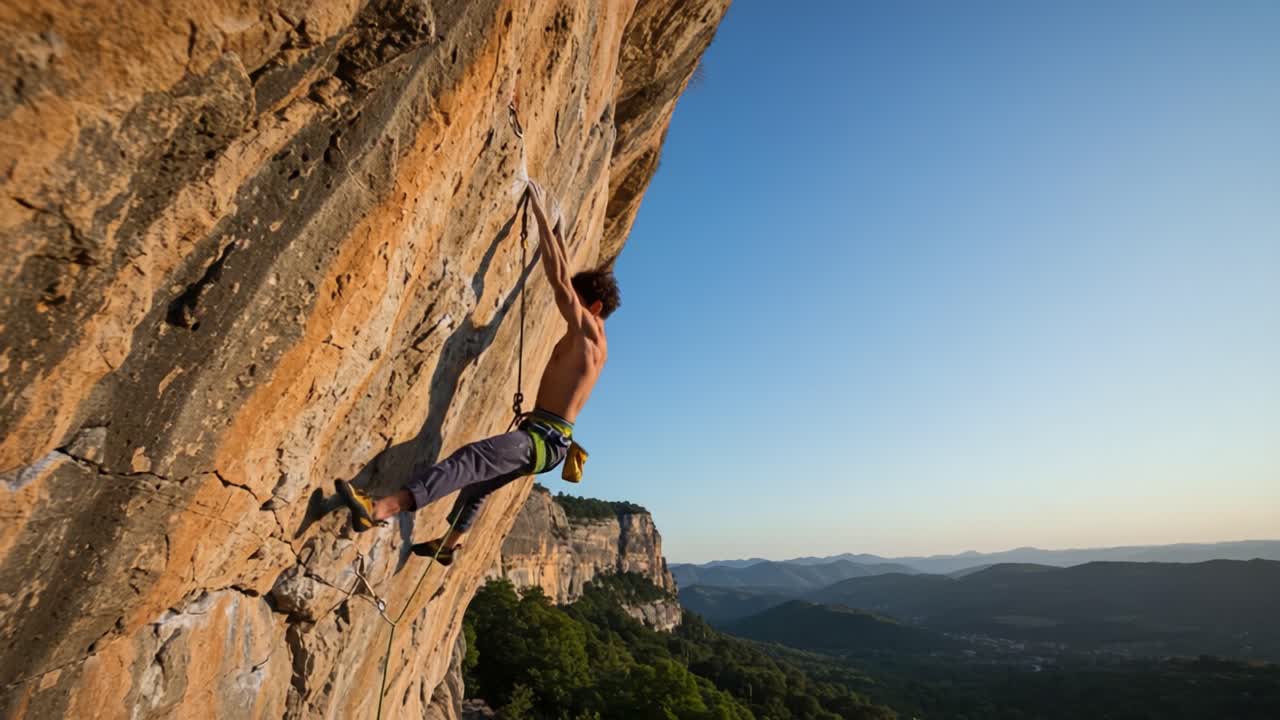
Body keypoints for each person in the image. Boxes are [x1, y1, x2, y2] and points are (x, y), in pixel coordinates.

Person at [336, 181, 618, 564]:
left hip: (542, 440)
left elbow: (560, 283)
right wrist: (559, 234)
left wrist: (538, 215)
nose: (571, 308)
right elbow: (567, 281)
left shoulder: (585, 332)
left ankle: (382, 508)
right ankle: (449, 545)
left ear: (595, 307)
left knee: (471, 459)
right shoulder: (597, 343)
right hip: (548, 438)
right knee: (478, 487)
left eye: (581, 304)